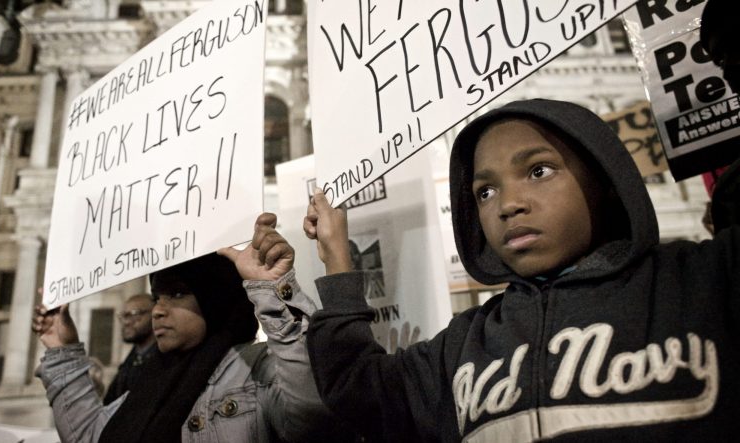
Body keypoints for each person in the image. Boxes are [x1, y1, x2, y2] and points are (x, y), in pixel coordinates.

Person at [304, 98, 740, 442]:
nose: (508, 204)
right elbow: (360, 391)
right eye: (486, 191)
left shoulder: (706, 282)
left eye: (538, 170)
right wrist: (337, 257)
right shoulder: (464, 345)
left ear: (604, 179)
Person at [32, 214, 345, 443]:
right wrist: (61, 348)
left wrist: (272, 287)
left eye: (177, 294)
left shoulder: (257, 368)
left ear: (215, 301)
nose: (158, 310)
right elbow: (91, 438)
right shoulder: (151, 380)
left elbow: (313, 413)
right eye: (157, 297)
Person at [103, 293, 157, 404]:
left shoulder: (166, 360)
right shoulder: (129, 362)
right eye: (123, 316)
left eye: (134, 314)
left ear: (154, 314)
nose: (126, 322)